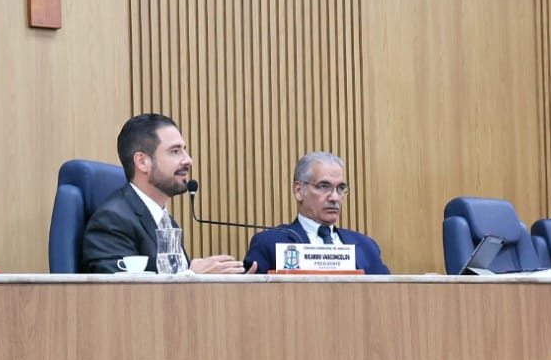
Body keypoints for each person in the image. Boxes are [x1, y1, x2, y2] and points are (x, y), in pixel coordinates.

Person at [79, 113, 247, 275]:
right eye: (175, 151)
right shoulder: (111, 221)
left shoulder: (166, 222)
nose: (188, 160)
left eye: (184, 150)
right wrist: (191, 274)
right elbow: (120, 290)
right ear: (142, 162)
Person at [243, 152, 390, 274]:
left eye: (340, 188)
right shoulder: (270, 243)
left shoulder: (367, 246)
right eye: (324, 186)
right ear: (299, 191)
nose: (335, 197)